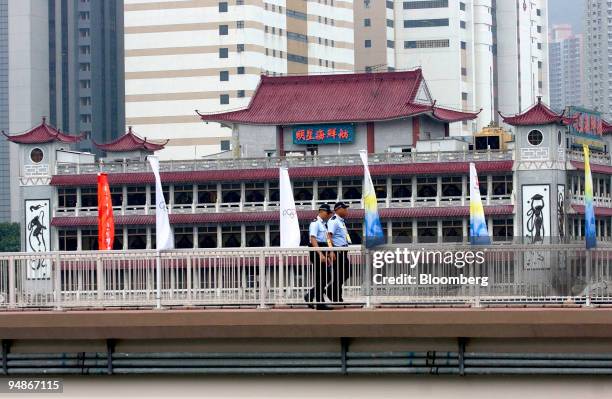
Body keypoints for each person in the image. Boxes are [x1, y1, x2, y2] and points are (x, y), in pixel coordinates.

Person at [304, 204, 333, 310]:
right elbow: (313, 239)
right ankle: (320, 303)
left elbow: (326, 239)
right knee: (321, 277)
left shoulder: (324, 224)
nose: (329, 215)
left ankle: (310, 295)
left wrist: (329, 252)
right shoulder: (315, 223)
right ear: (322, 211)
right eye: (328, 213)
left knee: (327, 277)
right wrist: (320, 254)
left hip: (323, 249)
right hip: (317, 251)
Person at [327, 202, 351, 303]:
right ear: (338, 209)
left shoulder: (341, 221)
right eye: (344, 208)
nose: (346, 210)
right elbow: (328, 236)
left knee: (345, 273)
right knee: (340, 274)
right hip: (337, 251)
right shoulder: (334, 221)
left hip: (343, 251)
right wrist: (331, 251)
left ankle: (334, 293)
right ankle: (335, 295)